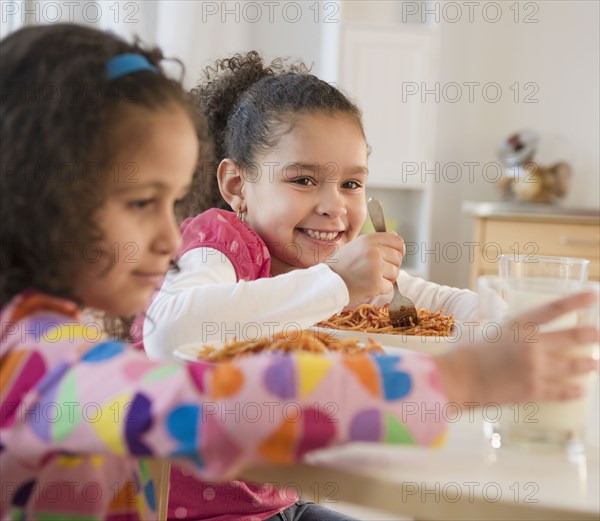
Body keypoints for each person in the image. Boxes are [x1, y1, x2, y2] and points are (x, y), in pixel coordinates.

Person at [1, 26, 598, 521]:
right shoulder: (36, 371)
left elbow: (421, 299)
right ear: (38, 197)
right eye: (140, 203)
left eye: (171, 200)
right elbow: (216, 405)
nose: (168, 236)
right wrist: (456, 383)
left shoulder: (46, 343)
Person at [141, 51, 478, 360]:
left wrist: (507, 314)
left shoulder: (349, 273)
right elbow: (166, 335)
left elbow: (445, 304)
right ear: (237, 185)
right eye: (303, 180)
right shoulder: (223, 245)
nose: (334, 206)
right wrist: (337, 281)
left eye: (351, 184)